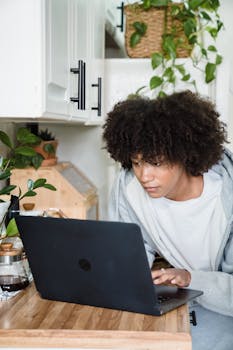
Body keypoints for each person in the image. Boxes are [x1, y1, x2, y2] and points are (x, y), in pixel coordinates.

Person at [102, 90, 233, 350]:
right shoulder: (128, 189)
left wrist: (190, 278)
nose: (144, 176)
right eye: (137, 162)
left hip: (222, 310)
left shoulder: (225, 197)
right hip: (172, 307)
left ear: (184, 155)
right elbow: (125, 255)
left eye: (156, 163)